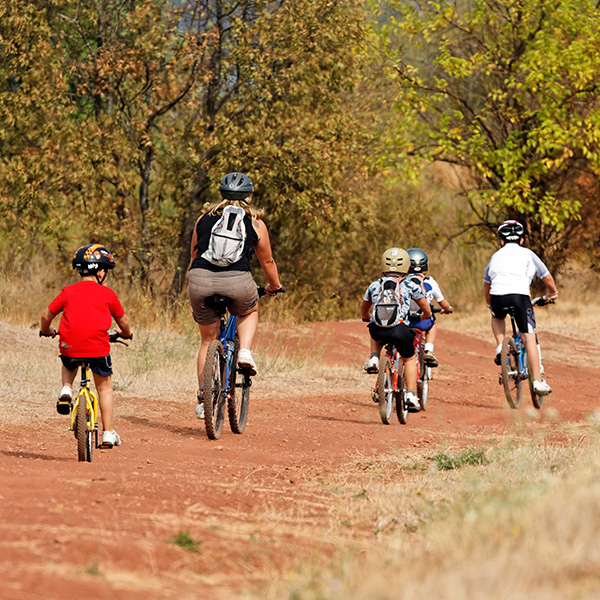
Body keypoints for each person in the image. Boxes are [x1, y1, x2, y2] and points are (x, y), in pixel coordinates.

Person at [188, 172, 282, 419]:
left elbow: (193, 255)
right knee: (249, 309)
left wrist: (197, 282)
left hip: (200, 280)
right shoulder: (256, 224)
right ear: (249, 196)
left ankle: (203, 398)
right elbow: (268, 261)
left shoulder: (203, 219)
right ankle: (245, 352)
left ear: (221, 193)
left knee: (208, 341)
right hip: (237, 282)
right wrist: (275, 285)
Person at [39, 244, 133, 447]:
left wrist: (47, 330)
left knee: (68, 360)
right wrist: (126, 334)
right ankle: (108, 433)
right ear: (100, 271)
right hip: (98, 349)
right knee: (105, 388)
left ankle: (66, 389)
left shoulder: (68, 292)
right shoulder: (108, 294)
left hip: (69, 346)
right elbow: (123, 322)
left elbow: (46, 316)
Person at [483, 220, 558, 395]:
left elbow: (487, 282)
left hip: (497, 296)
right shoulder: (528, 254)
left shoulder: (496, 256)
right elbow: (546, 276)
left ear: (502, 241)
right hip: (520, 297)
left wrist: (489, 302)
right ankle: (538, 382)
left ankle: (501, 346)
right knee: (528, 337)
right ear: (522, 240)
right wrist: (553, 293)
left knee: (497, 317)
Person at [360, 248, 432, 410]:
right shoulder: (409, 284)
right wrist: (425, 316)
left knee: (373, 324)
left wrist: (366, 316)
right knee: (409, 359)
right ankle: (411, 394)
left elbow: (364, 306)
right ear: (406, 266)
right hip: (400, 330)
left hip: (378, 330)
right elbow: (424, 306)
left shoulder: (374, 285)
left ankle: (373, 358)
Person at [405, 248, 453, 367]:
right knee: (433, 324)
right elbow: (443, 303)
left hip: (405, 321)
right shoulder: (430, 282)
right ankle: (428, 350)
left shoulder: (402, 282)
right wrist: (448, 309)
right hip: (423, 321)